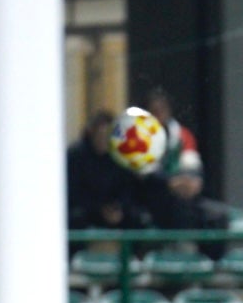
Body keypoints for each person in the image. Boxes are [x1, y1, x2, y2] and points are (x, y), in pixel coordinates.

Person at [142, 88, 229, 258]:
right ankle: (180, 262)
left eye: (162, 111)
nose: (159, 116)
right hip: (154, 198)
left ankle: (211, 267)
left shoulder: (181, 135)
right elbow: (146, 172)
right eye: (154, 112)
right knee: (180, 209)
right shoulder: (139, 138)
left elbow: (192, 164)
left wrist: (193, 182)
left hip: (183, 195)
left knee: (217, 216)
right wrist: (169, 182)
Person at [66, 110, 143, 243]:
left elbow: (127, 188)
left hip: (114, 210)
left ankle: (135, 258)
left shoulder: (120, 157)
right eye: (99, 135)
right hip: (86, 210)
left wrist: (118, 207)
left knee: (137, 218)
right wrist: (99, 209)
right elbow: (73, 192)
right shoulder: (75, 156)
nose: (103, 140)